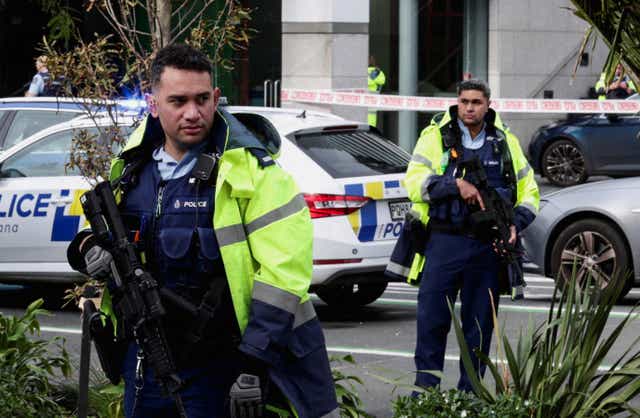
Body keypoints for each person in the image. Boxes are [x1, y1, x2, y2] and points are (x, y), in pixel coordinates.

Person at [67, 43, 338, 418]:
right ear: (153, 103)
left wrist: (253, 365)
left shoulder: (254, 175)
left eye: (202, 99)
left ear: (216, 98)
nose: (192, 113)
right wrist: (87, 250)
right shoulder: (130, 171)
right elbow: (90, 234)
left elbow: (283, 277)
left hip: (224, 367)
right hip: (145, 360)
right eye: (178, 101)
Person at [397, 79, 539, 391]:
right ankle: (425, 394)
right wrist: (454, 185)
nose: (469, 108)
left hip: (486, 247)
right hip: (444, 242)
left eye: (476, 102)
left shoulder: (504, 142)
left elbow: (530, 192)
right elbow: (414, 182)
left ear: (488, 105)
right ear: (457, 103)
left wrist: (515, 222)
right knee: (432, 322)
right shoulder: (436, 136)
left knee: (479, 327)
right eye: (464, 101)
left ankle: (470, 397)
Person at [367, 55, 386, 127]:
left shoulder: (358, 72)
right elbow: (382, 81)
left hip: (357, 104)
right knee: (370, 128)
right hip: (372, 104)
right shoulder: (378, 72)